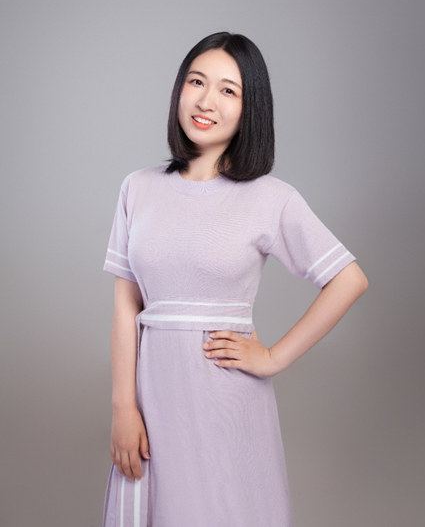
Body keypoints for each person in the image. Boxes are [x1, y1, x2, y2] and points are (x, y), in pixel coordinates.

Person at [102, 31, 368, 527]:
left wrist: (272, 357)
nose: (206, 101)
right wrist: (123, 408)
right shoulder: (137, 188)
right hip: (152, 401)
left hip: (227, 403)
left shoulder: (271, 197)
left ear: (251, 108)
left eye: (228, 90)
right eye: (196, 82)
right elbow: (125, 306)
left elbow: (348, 279)